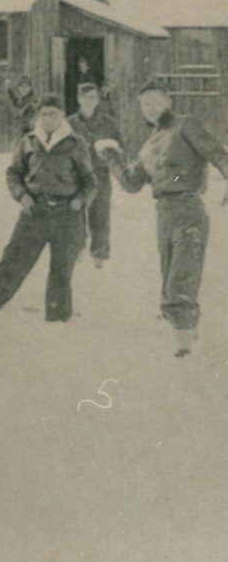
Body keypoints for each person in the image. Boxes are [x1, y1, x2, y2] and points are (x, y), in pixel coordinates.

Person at [98, 78, 228, 356]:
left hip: (188, 208)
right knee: (171, 277)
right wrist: (111, 156)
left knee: (180, 280)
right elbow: (132, 183)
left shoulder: (186, 125)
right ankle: (187, 340)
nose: (151, 108)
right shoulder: (148, 146)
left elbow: (216, 153)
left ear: (168, 102)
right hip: (164, 215)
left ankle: (184, 350)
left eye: (156, 102)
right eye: (145, 104)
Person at [0, 93, 97, 330]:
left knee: (61, 270)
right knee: (13, 262)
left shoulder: (76, 143)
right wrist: (22, 195)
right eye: (44, 113)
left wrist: (79, 201)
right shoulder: (29, 142)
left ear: (62, 115)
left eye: (53, 113)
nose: (48, 118)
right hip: (35, 212)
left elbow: (90, 181)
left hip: (66, 215)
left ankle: (58, 323)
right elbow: (13, 173)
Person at [68, 80, 119, 268]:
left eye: (92, 97)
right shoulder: (68, 124)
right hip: (77, 176)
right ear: (78, 99)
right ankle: (76, 248)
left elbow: (119, 147)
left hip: (100, 174)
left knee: (100, 213)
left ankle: (100, 252)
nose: (89, 101)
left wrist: (111, 156)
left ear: (98, 100)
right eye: (85, 97)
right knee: (75, 212)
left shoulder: (108, 123)